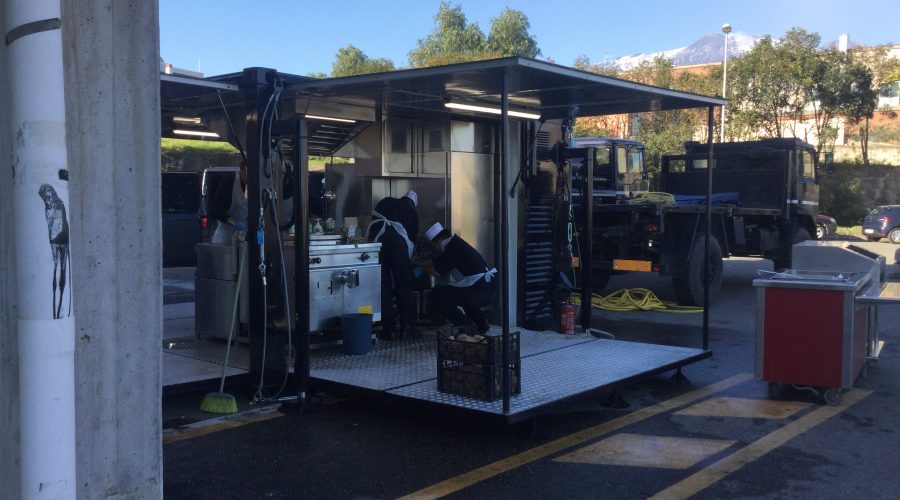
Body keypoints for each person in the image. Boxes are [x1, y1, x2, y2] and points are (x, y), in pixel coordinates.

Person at [417, 222, 496, 334]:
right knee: (464, 297)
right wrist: (415, 262)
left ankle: (466, 326)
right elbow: (435, 261)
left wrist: (419, 269)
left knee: (440, 294)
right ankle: (481, 324)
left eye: (434, 246)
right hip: (487, 289)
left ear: (438, 242)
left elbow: (436, 271)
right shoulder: (455, 244)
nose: (435, 249)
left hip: (480, 292)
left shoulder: (451, 248)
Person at [367, 190, 419, 340]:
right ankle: (406, 328)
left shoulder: (385, 201)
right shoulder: (411, 211)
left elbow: (373, 222)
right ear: (413, 203)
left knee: (383, 287)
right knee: (404, 285)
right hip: (398, 248)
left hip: (379, 245)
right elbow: (412, 238)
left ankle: (387, 329)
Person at [209, 163, 248, 244]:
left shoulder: (258, 185)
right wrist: (235, 223)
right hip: (226, 237)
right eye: (247, 173)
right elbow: (215, 210)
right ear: (241, 170)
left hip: (246, 236)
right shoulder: (230, 183)